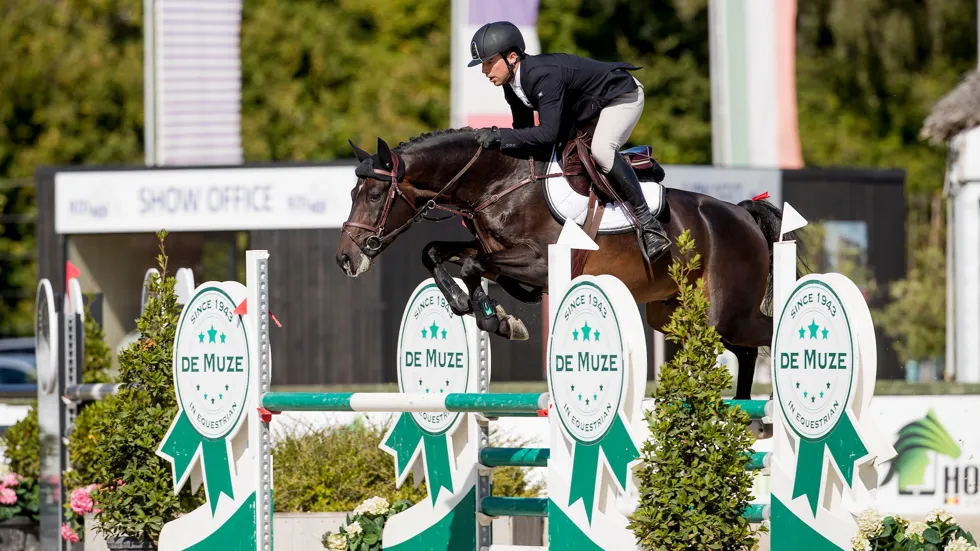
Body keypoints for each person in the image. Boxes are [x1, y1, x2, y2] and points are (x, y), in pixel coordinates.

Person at [468, 21, 670, 263]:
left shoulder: (542, 75)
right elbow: (524, 134)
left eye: (489, 62)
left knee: (602, 151)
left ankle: (649, 224)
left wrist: (499, 135)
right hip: (588, 111)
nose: (484, 71)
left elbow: (547, 133)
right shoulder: (512, 87)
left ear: (512, 57)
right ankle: (633, 164)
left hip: (621, 97)